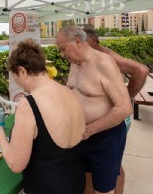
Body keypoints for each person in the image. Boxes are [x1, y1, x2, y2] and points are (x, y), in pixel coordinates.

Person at [0, 39, 86, 194]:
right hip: (75, 181)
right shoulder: (68, 91)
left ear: (22, 71)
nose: (18, 84)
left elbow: (16, 164)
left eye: (15, 78)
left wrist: (0, 135)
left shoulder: (28, 105)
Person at [56, 25, 133, 194]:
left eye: (63, 49)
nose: (62, 55)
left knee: (103, 189)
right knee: (84, 185)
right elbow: (77, 92)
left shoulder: (104, 63)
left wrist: (89, 130)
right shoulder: (75, 64)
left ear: (77, 41)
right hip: (81, 137)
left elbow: (125, 107)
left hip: (105, 138)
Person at [83, 26, 149, 194]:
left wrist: (127, 97)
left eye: (83, 42)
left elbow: (141, 70)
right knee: (108, 164)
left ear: (93, 40)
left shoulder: (106, 56)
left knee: (113, 164)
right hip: (106, 120)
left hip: (116, 118)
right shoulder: (90, 58)